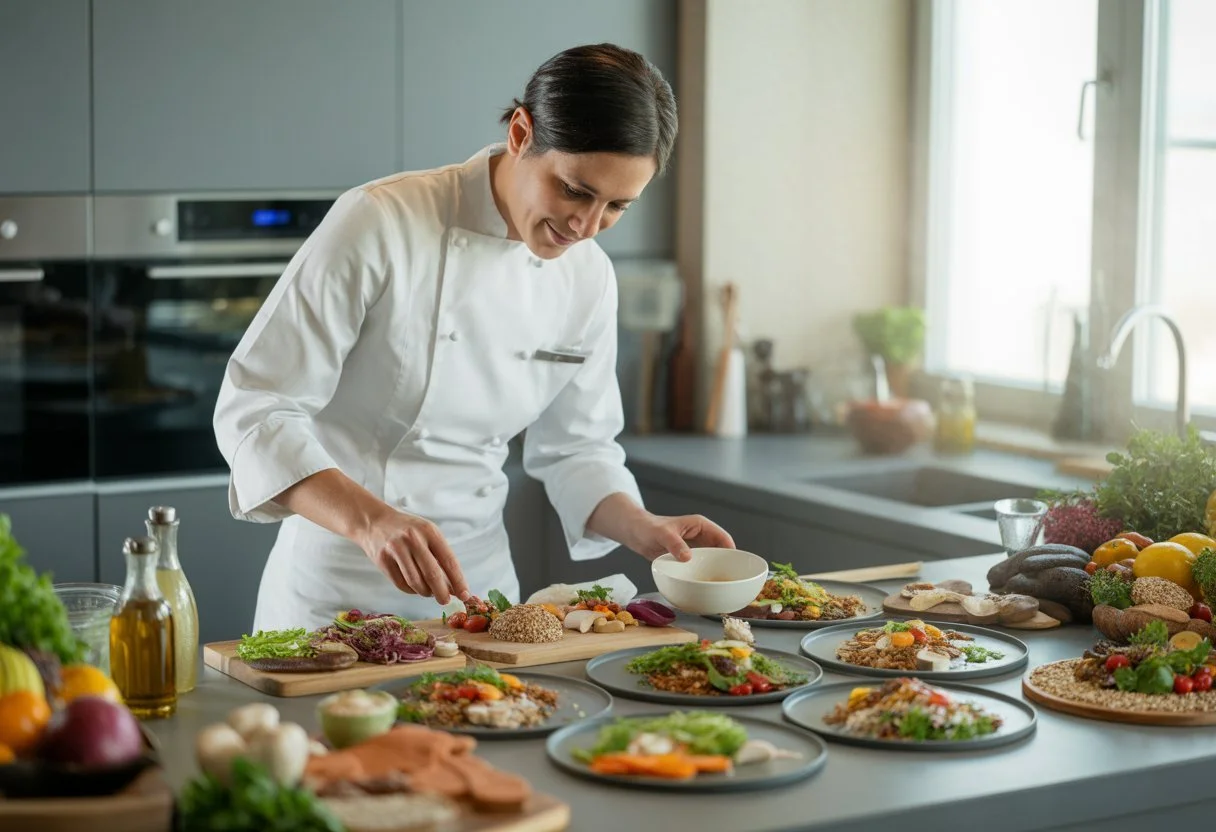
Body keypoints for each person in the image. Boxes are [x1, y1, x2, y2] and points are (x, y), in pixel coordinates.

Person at [213, 43, 735, 631]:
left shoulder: (588, 276)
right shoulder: (380, 220)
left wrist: (645, 527)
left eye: (617, 206)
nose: (586, 227)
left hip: (482, 600)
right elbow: (257, 407)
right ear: (520, 133)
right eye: (575, 190)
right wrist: (372, 521)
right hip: (335, 593)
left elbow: (576, 448)